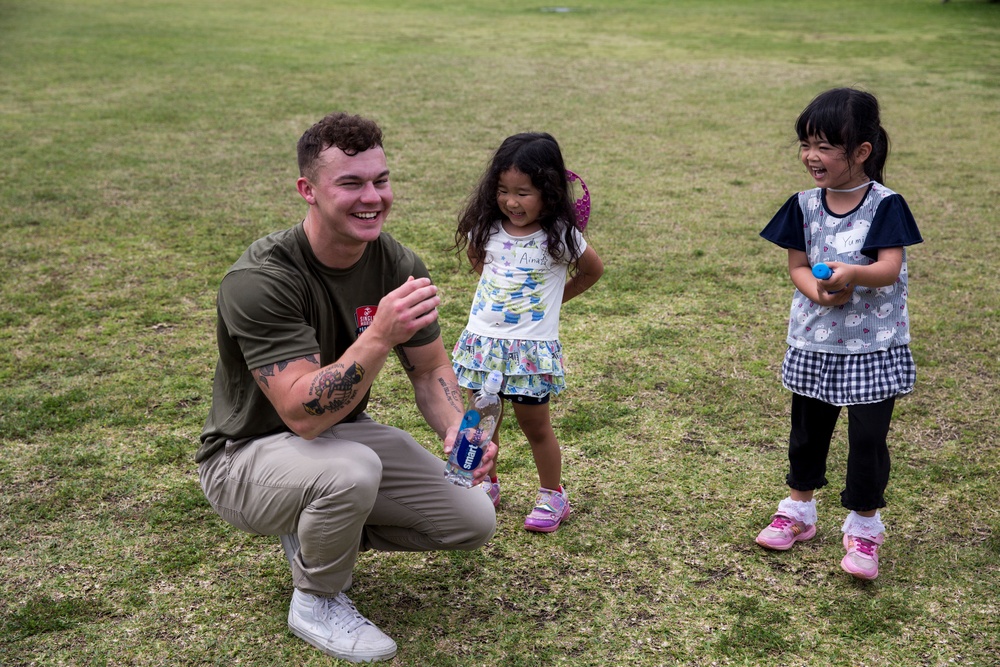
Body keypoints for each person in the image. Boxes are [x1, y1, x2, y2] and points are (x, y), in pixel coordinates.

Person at [196, 112, 498, 662]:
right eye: (351, 183)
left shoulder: (399, 263)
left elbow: (431, 370)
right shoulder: (262, 279)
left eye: (380, 180)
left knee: (473, 517)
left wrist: (459, 429)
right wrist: (379, 334)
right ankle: (317, 599)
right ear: (307, 191)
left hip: (336, 441)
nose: (372, 198)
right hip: (245, 456)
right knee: (350, 472)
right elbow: (302, 414)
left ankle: (320, 529)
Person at [756, 88, 923, 580]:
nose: (813, 156)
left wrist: (852, 273)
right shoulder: (803, 204)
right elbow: (798, 267)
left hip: (873, 345)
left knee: (868, 439)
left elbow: (890, 268)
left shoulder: (885, 204)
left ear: (862, 152)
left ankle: (864, 529)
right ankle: (799, 510)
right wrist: (820, 290)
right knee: (807, 433)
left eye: (827, 146)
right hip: (816, 341)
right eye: (807, 144)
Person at [450, 132, 604, 533]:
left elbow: (593, 270)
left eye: (523, 192)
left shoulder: (561, 236)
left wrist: (555, 301)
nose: (511, 202)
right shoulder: (486, 228)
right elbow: (477, 259)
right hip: (484, 345)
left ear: (549, 192)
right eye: (502, 191)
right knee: (480, 422)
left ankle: (553, 494)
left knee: (536, 427)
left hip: (529, 353)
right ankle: (483, 484)